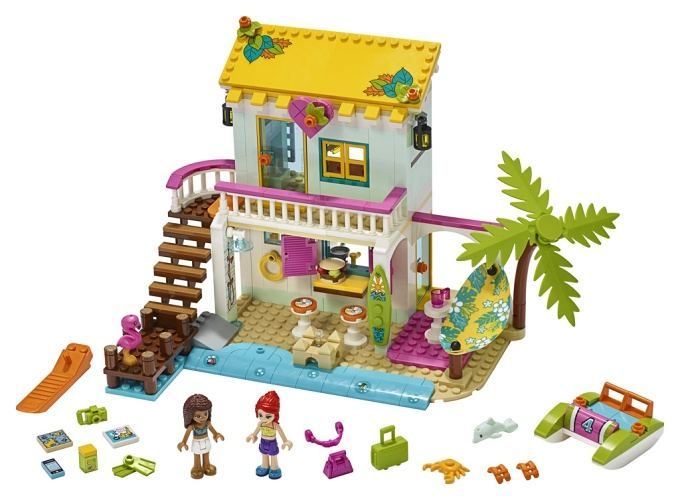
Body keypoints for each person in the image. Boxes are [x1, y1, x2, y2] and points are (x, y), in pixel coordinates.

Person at [246, 390, 293, 479]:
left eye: (268, 416)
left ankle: (274, 468)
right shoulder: (260, 424)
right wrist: (253, 435)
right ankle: (265, 466)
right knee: (264, 454)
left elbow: (281, 434)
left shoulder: (275, 425)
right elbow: (256, 432)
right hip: (263, 441)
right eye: (260, 415)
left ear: (275, 415)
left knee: (273, 455)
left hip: (272, 443)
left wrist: (285, 441)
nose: (263, 418)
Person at [177, 394, 224, 479]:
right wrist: (183, 442)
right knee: (197, 455)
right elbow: (186, 435)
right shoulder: (192, 426)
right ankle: (197, 467)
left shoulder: (207, 423)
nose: (202, 418)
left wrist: (216, 434)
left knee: (206, 453)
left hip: (206, 441)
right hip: (197, 443)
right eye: (198, 416)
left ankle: (206, 465)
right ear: (190, 415)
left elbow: (213, 431)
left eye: (205, 414)